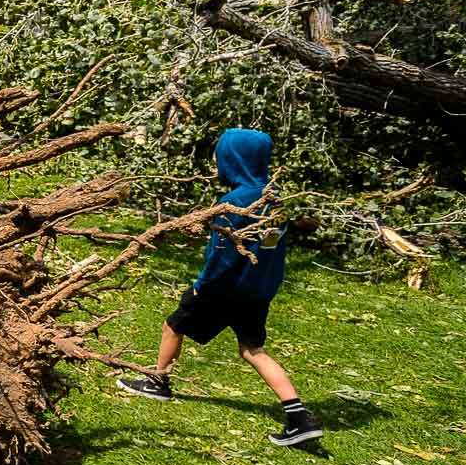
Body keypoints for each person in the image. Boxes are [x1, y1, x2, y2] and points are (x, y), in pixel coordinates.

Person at [115, 127, 324, 447]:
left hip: (225, 288)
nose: (216, 161)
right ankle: (299, 418)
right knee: (253, 350)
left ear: (235, 160)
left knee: (172, 326)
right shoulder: (275, 200)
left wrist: (201, 286)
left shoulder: (234, 202)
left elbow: (222, 257)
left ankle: (158, 382)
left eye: (220, 156)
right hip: (258, 290)